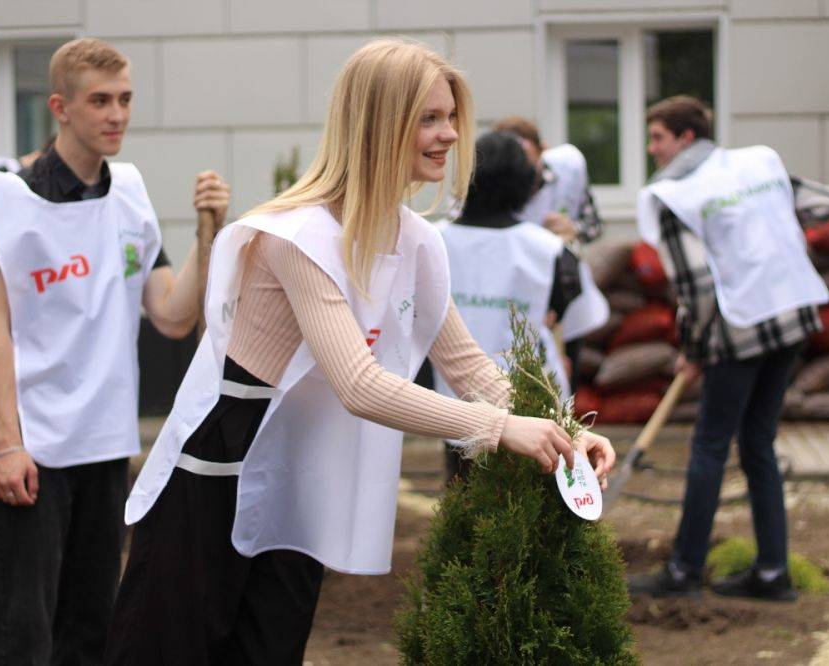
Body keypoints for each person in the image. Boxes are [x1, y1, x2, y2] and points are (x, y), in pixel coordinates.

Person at [106, 39, 616, 665]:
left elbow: (469, 367)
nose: (450, 134)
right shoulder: (295, 234)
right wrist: (503, 429)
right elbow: (359, 383)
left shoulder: (417, 239)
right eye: (429, 118)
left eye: (452, 117)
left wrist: (566, 432)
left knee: (270, 652)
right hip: (214, 469)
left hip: (300, 471)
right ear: (379, 122)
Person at [0, 38, 230, 664]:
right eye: (100, 101)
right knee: (21, 635)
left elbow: (174, 315)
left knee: (91, 629)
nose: (117, 115)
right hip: (32, 450)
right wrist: (7, 444)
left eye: (125, 100)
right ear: (60, 107)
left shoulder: (129, 194)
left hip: (104, 444)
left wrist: (209, 232)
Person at [629, 95, 829, 601]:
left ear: (685, 138)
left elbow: (694, 288)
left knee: (709, 446)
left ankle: (684, 570)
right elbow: (825, 203)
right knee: (758, 442)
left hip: (741, 328)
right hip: (793, 315)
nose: (652, 149)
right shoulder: (756, 161)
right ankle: (771, 572)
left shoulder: (673, 195)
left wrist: (694, 349)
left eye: (657, 137)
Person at [435, 130, 582, 481]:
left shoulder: (432, 240)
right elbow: (562, 309)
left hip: (452, 399)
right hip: (533, 397)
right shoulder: (549, 249)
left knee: (465, 495)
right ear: (527, 184)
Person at [493, 117, 609, 394]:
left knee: (564, 378)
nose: (521, 170)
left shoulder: (568, 168)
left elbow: (594, 225)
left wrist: (573, 228)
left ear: (542, 149)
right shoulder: (494, 184)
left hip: (566, 290)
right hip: (513, 295)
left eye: (527, 159)